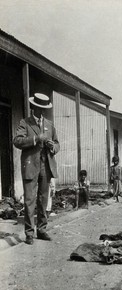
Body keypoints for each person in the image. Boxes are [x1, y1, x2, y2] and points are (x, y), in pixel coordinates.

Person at [13, 93, 60, 245]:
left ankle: (42, 229)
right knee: (29, 200)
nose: (42, 112)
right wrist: (35, 139)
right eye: (39, 108)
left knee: (44, 199)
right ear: (34, 108)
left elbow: (58, 144)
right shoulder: (25, 123)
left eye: (44, 109)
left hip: (46, 166)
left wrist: (53, 147)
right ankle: (29, 233)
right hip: (30, 166)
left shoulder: (50, 124)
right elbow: (17, 141)